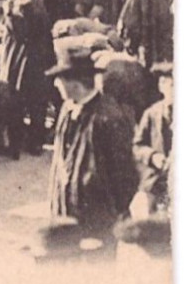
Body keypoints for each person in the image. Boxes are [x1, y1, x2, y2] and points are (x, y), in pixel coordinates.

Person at [46, 48, 140, 249]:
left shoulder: (108, 118)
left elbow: (127, 176)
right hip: (64, 215)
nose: (55, 84)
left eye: (59, 78)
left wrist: (110, 216)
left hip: (96, 224)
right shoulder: (67, 109)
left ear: (75, 83)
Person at [1, 0, 56, 153]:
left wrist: (8, 14)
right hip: (40, 59)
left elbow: (21, 32)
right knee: (38, 103)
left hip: (22, 61)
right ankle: (36, 142)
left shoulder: (22, 5)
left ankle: (17, 144)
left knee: (18, 101)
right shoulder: (40, 1)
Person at [132, 63, 172, 218]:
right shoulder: (151, 113)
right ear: (161, 87)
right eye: (171, 85)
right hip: (155, 182)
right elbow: (137, 145)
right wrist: (152, 156)